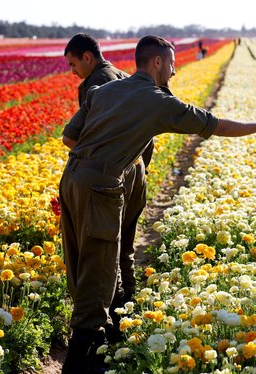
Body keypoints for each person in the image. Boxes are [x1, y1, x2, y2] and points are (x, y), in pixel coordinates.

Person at [58, 35, 256, 374]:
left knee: (80, 264)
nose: (174, 69)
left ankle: (92, 351)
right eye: (170, 63)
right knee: (100, 269)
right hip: (100, 188)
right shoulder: (157, 101)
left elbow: (69, 136)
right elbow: (216, 125)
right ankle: (77, 372)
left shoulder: (102, 91)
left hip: (72, 179)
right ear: (155, 63)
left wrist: (101, 156)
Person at [64, 33, 150, 345]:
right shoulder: (126, 77)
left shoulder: (95, 86)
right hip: (133, 168)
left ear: (88, 57)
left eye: (74, 64)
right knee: (124, 245)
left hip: (108, 175)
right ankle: (128, 313)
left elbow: (80, 138)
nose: (73, 71)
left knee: (100, 252)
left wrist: (83, 172)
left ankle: (105, 325)